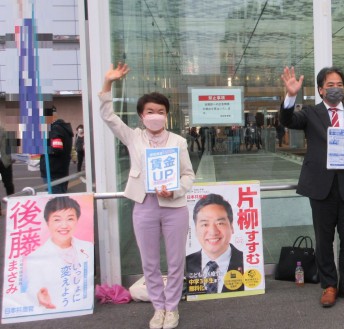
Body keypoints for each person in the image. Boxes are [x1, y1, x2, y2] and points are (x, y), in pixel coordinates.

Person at [99, 63, 195, 329]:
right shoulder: (133, 138)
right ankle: (158, 308)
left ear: (167, 115)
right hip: (144, 205)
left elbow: (189, 175)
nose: (155, 115)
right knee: (149, 263)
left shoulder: (178, 141)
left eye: (160, 112)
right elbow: (108, 116)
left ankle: (172, 309)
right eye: (150, 111)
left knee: (175, 262)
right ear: (141, 115)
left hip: (174, 206)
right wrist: (108, 83)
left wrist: (175, 188)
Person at [279, 66, 344, 307]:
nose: (336, 88)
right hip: (322, 188)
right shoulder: (311, 113)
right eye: (330, 85)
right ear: (321, 90)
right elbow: (288, 120)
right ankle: (329, 285)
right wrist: (291, 96)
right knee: (324, 240)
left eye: (339, 84)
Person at [24, 196, 94, 311]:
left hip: (84, 305)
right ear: (48, 223)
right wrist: (38, 295)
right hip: (55, 309)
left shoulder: (87, 247)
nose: (64, 225)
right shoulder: (36, 256)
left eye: (70, 219)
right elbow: (33, 287)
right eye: (57, 220)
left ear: (77, 220)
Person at [186, 194, 244, 294]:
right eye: (205, 224)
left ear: (231, 226)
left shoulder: (248, 262)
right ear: (195, 229)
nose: (213, 232)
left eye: (220, 223)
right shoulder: (185, 264)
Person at [39, 107, 74, 194]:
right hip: (60, 170)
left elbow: (56, 149)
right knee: (61, 199)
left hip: (53, 171)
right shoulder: (63, 128)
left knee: (56, 201)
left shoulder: (54, 129)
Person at [0, 124, 15, 198]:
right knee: (8, 184)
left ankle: (11, 201)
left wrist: (13, 156)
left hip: (5, 161)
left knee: (8, 184)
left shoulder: (3, 130)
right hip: (5, 161)